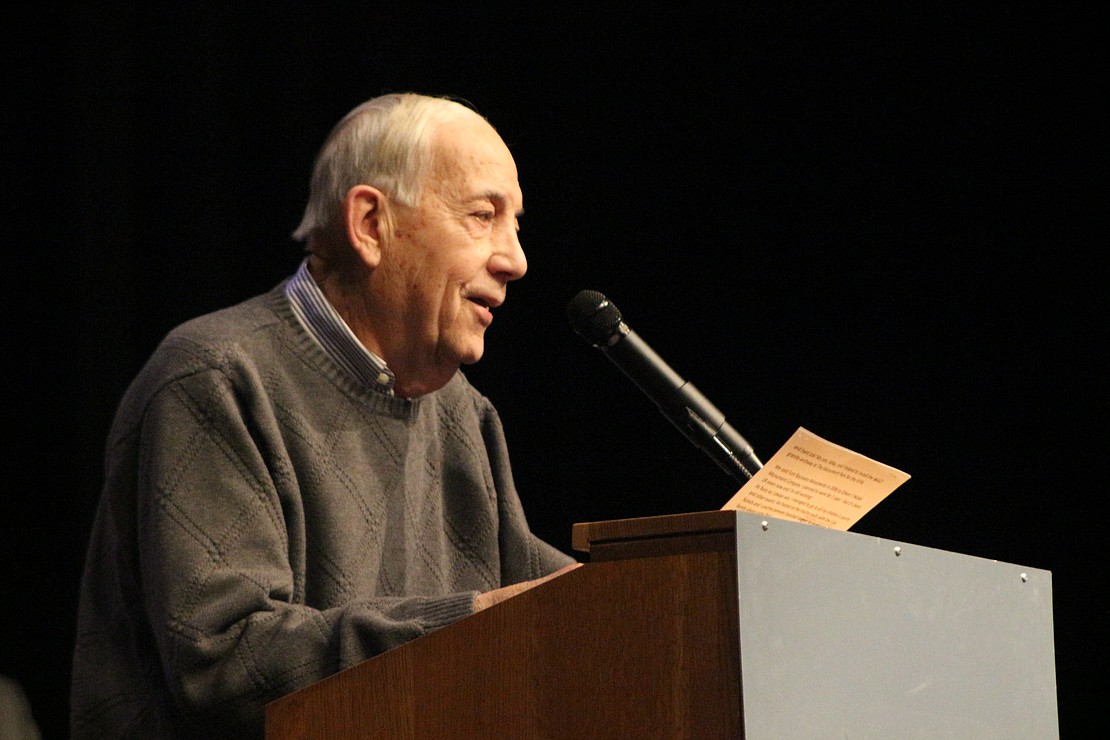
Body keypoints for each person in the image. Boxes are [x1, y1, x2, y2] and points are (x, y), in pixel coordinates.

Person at [71, 92, 579, 738]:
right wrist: (472, 621)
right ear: (370, 223)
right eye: (484, 216)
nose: (515, 259)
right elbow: (221, 664)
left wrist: (674, 591)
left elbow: (549, 602)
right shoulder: (216, 378)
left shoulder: (463, 414)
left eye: (516, 224)